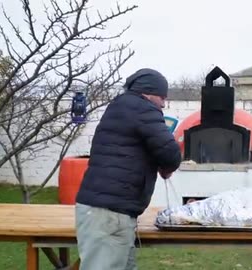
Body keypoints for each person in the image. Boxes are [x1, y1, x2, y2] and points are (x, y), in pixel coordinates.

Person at [75, 68, 182, 270]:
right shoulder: (143, 109)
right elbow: (170, 153)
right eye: (162, 97)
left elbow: (135, 147)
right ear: (149, 93)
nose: (163, 103)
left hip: (104, 211)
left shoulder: (120, 107)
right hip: (109, 215)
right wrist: (166, 167)